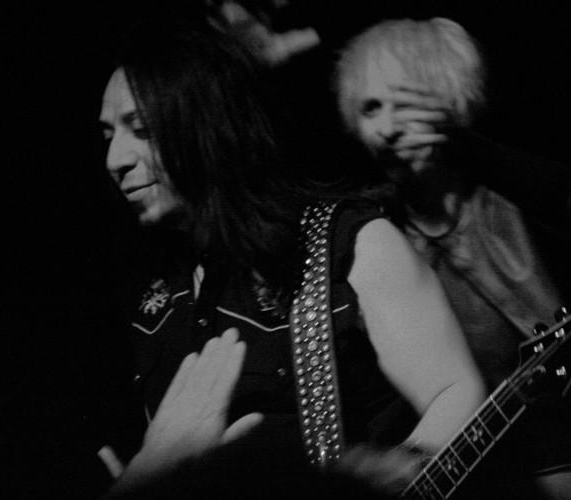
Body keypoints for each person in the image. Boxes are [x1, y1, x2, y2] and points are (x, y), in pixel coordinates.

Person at [95, 18, 485, 498]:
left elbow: (453, 391)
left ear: (208, 125)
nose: (115, 160)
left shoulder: (342, 245)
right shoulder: (152, 294)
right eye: (108, 135)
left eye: (140, 130)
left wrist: (390, 477)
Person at [334, 17, 571, 500]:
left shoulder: (514, 193)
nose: (389, 128)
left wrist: (467, 145)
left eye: (407, 103)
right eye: (372, 108)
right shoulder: (368, 233)